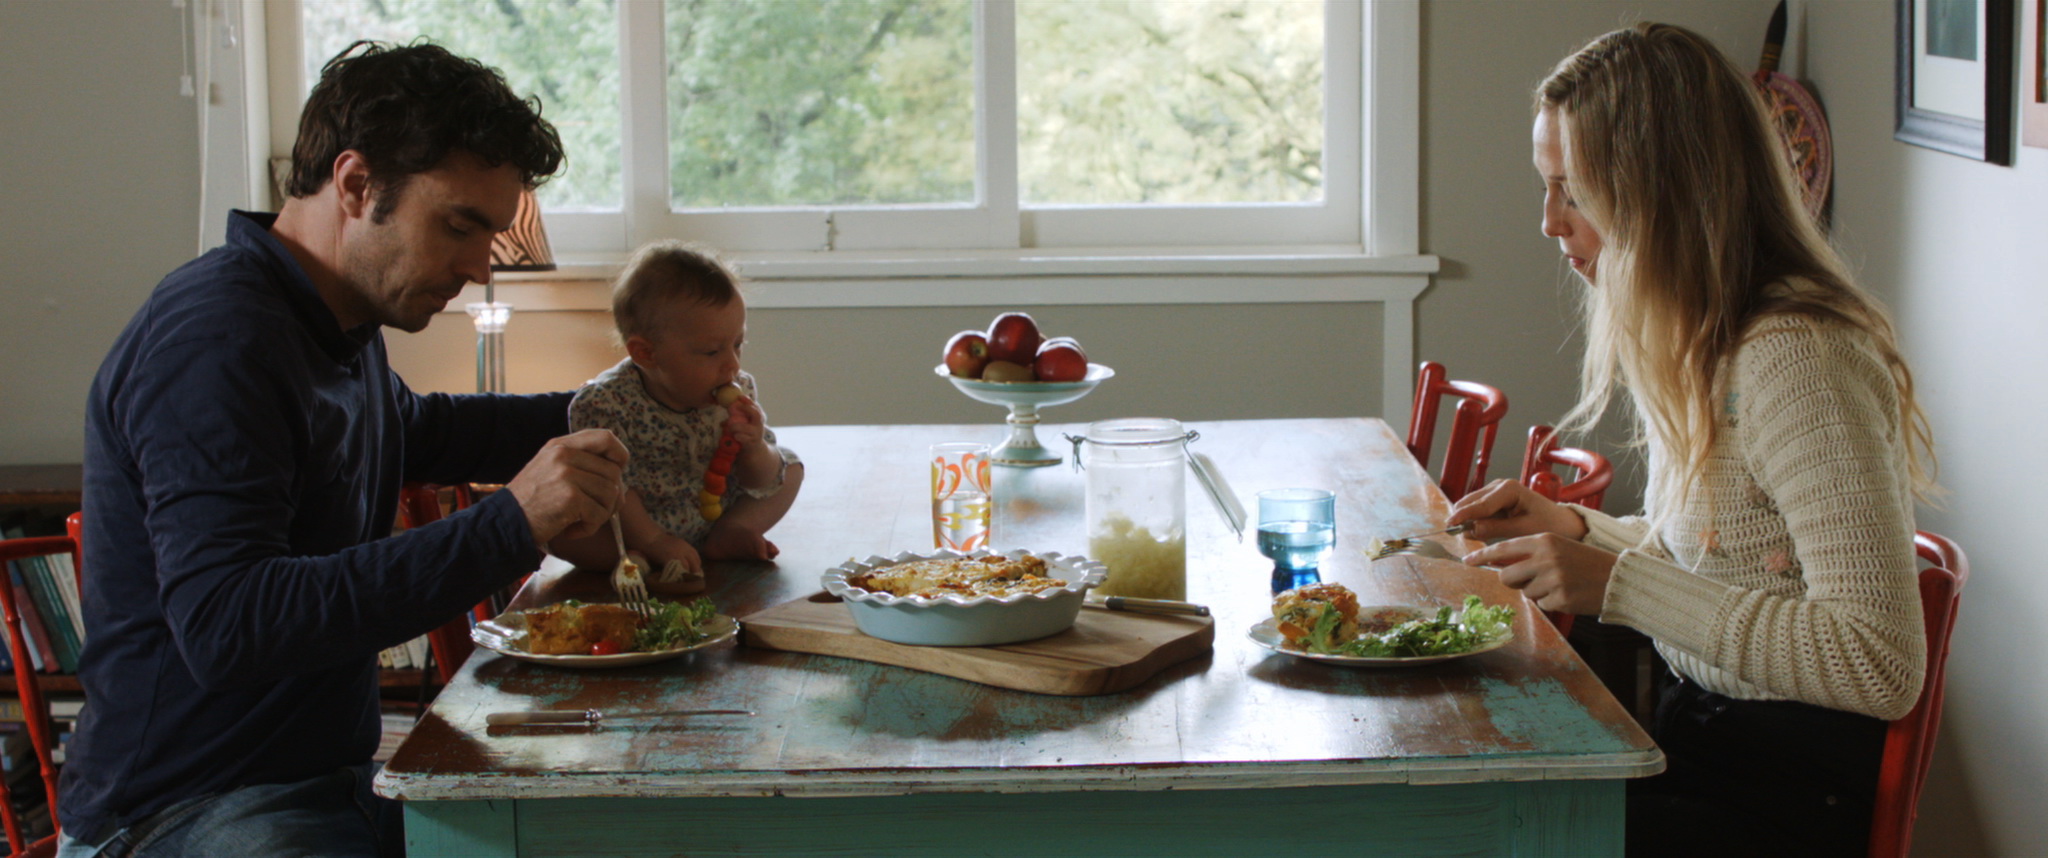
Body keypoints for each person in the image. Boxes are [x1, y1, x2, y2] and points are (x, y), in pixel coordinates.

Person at [60, 42, 628, 858]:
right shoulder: (218, 340)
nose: (479, 267)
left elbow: (422, 431)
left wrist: (634, 409)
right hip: (177, 815)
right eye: (460, 226)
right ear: (357, 185)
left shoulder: (332, 322)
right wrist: (511, 522)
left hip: (322, 786)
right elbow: (228, 625)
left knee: (596, 826)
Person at [1447, 22, 1938, 858]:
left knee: (1474, 829)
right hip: (1704, 746)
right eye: (1547, 187)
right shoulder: (1708, 336)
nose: (1549, 222)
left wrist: (1621, 586)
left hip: (1783, 797)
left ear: (1662, 193)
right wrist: (1575, 530)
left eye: (1574, 192)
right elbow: (1728, 561)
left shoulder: (1798, 358)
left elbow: (1878, 661)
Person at [555, 240, 803, 589]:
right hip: (631, 523)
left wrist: (754, 447)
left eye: (737, 345)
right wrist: (653, 539)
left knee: (789, 467)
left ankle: (732, 532)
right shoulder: (606, 403)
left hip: (715, 514)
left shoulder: (738, 389)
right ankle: (636, 556)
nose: (732, 365)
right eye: (712, 351)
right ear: (647, 353)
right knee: (561, 531)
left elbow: (760, 481)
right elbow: (615, 488)